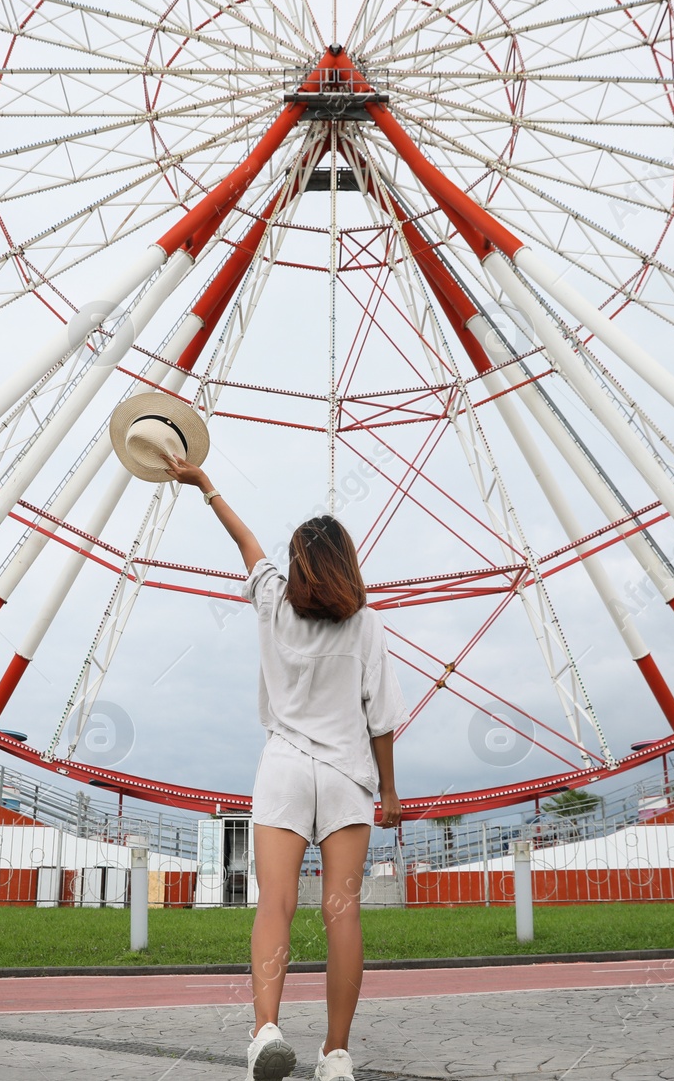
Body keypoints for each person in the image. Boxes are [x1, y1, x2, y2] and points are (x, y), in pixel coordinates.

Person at [164, 453, 405, 1081]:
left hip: (285, 767)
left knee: (274, 904)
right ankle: (336, 1055)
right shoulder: (368, 627)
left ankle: (265, 1030)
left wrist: (205, 484)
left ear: (297, 564)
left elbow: (245, 541)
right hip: (348, 775)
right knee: (342, 913)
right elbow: (381, 720)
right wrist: (391, 795)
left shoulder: (273, 603)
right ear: (347, 563)